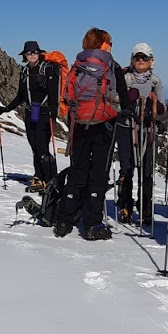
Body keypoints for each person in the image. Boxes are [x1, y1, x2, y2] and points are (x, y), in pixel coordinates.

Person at [54, 28, 119, 241]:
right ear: (104, 44)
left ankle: (64, 220)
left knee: (77, 171)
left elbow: (66, 96)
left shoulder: (77, 66)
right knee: (98, 174)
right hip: (104, 125)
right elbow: (125, 101)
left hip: (78, 125)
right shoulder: (111, 66)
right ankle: (92, 224)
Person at [0, 40, 60, 191]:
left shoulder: (48, 69)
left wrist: (53, 112)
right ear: (24, 55)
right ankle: (39, 177)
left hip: (44, 113)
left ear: (39, 53)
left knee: (42, 147)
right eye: (29, 52)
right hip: (30, 113)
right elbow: (21, 95)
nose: (32, 55)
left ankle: (49, 179)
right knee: (35, 147)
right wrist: (6, 109)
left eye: (35, 52)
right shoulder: (24, 72)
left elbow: (54, 93)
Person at [115, 42, 165, 225]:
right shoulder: (124, 78)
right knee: (126, 168)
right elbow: (112, 98)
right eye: (137, 57)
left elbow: (164, 110)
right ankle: (125, 205)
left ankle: (145, 207)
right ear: (132, 59)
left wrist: (157, 108)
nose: (141, 60)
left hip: (148, 129)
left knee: (147, 170)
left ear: (151, 60)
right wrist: (127, 98)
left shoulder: (155, 81)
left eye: (144, 57)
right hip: (126, 128)